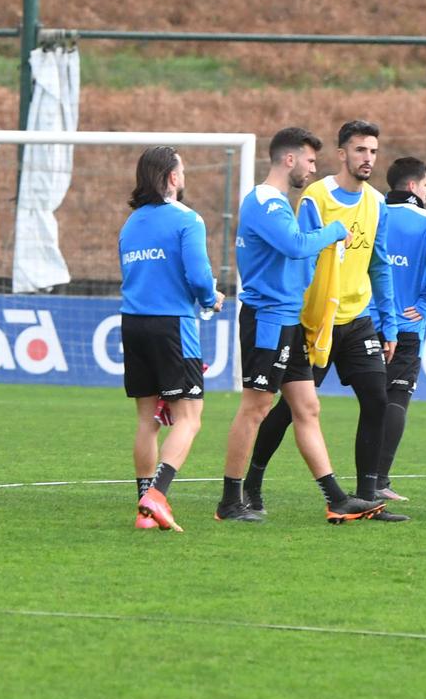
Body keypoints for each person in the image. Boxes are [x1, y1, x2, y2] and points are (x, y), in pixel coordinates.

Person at [242, 118, 408, 520]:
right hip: (316, 321)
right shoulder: (316, 197)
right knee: (288, 408)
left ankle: (366, 497)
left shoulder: (377, 202)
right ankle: (251, 482)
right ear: (342, 154)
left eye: (373, 151)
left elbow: (379, 262)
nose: (368, 158)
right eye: (360, 150)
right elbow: (297, 255)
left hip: (360, 318)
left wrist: (389, 322)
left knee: (376, 400)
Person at [214, 127, 378, 525]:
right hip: (268, 319)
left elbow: (297, 255)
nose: (312, 168)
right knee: (256, 407)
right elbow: (296, 246)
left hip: (289, 319)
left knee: (307, 407)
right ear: (289, 160)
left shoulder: (280, 203)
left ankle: (336, 498)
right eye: (309, 160)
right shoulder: (265, 203)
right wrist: (336, 231)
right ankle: (230, 500)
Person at [119, 146, 222, 533]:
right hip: (172, 325)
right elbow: (198, 279)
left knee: (147, 419)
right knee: (189, 417)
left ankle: (143, 508)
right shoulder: (187, 220)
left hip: (133, 323)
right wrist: (212, 299)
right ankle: (157, 496)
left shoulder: (130, 224)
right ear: (173, 178)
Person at [374, 156, 426, 502]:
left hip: (366, 320)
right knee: (396, 399)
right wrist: (424, 300)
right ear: (412, 186)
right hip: (407, 324)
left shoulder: (372, 211)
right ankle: (378, 481)